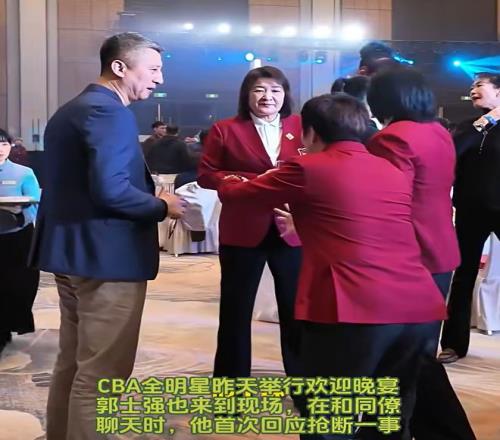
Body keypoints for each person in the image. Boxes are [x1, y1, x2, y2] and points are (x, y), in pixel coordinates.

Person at [217, 93, 447, 439]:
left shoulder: (306, 167)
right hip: (417, 306)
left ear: (310, 132)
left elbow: (239, 196)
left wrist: (229, 180)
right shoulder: (392, 169)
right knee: (389, 414)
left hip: (353, 307)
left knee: (329, 414)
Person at [29, 32, 186, 440]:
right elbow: (112, 191)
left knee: (73, 364)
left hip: (73, 254)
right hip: (107, 259)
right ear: (119, 67)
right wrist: (162, 206)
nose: (159, 79)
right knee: (102, 375)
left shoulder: (72, 109)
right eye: (153, 69)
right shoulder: (109, 111)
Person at [367, 67, 475, 440]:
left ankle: (397, 430)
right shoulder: (439, 132)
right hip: (440, 250)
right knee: (417, 352)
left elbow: (387, 202)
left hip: (407, 256)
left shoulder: (391, 138)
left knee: (398, 357)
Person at [198, 65, 303, 379]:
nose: (267, 96)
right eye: (259, 90)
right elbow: (207, 175)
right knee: (235, 311)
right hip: (243, 229)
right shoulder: (225, 129)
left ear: (285, 95)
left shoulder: (301, 126)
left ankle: (303, 386)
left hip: (292, 227)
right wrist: (253, 179)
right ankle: (231, 388)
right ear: (246, 95)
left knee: (296, 311)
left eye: (275, 90)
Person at [439, 72, 500, 363]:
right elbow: (451, 154)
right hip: (470, 211)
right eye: (472, 85)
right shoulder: (467, 127)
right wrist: (485, 122)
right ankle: (453, 344)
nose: (472, 89)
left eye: (479, 85)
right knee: (463, 277)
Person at [0, 128, 41, 354]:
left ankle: (8, 325)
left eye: (4, 144)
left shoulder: (23, 173)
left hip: (17, 235)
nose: (0, 149)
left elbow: (35, 203)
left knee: (16, 283)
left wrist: (21, 216)